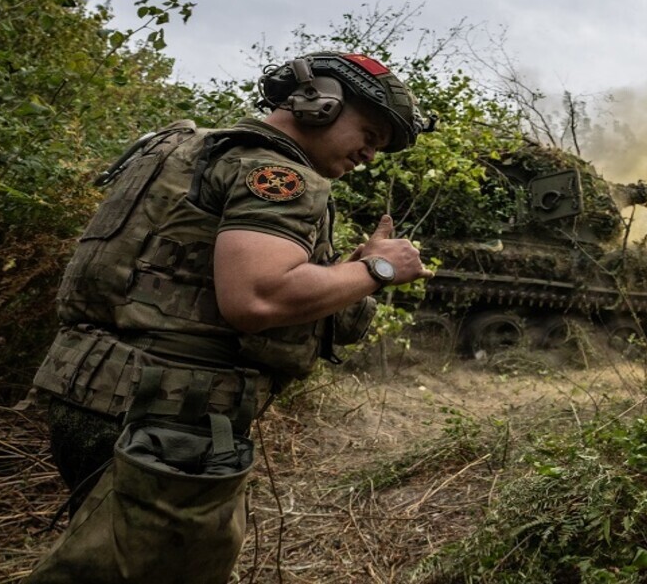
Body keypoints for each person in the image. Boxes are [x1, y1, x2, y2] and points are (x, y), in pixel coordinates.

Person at [24, 52, 435, 584]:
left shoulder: (184, 148)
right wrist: (381, 268)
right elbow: (257, 299)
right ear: (320, 102)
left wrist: (349, 272)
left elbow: (183, 279)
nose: (370, 154)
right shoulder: (276, 173)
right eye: (370, 133)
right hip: (168, 416)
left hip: (94, 393)